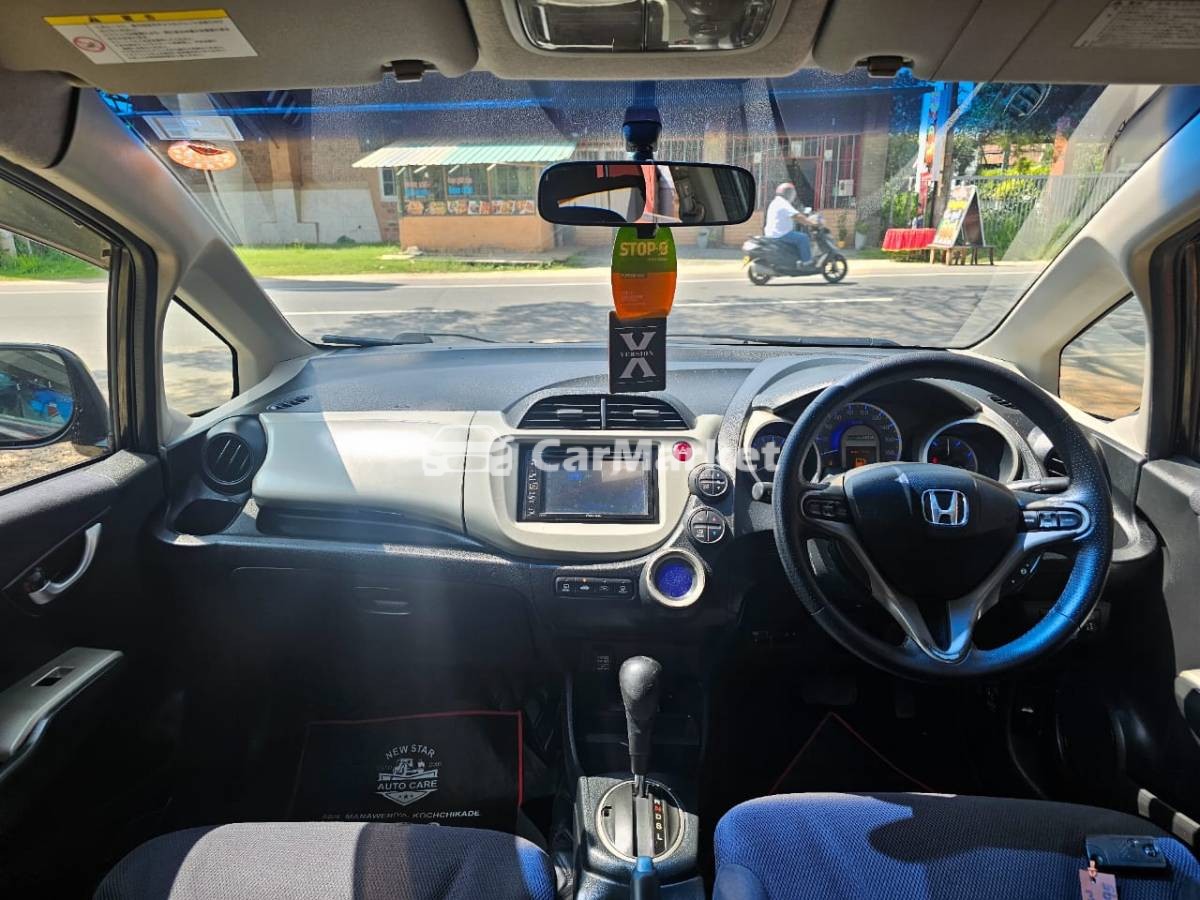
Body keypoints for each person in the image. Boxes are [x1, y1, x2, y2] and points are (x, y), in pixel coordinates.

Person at [764, 182, 813, 264]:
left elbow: (793, 215)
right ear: (788, 193)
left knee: (797, 236)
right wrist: (811, 222)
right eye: (792, 193)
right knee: (803, 238)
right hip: (780, 235)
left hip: (773, 233)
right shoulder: (783, 203)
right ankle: (807, 262)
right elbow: (797, 216)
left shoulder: (776, 202)